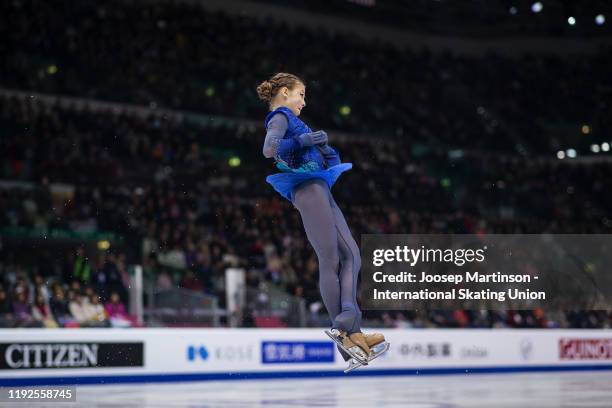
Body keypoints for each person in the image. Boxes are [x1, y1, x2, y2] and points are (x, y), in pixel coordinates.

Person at [256, 72, 386, 364]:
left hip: (320, 187)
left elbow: (330, 163)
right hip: (307, 187)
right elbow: (269, 149)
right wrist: (302, 140)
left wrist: (325, 148)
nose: (304, 101)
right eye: (301, 94)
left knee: (352, 254)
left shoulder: (295, 120)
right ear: (285, 93)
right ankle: (344, 328)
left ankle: (352, 328)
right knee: (332, 258)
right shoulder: (280, 116)